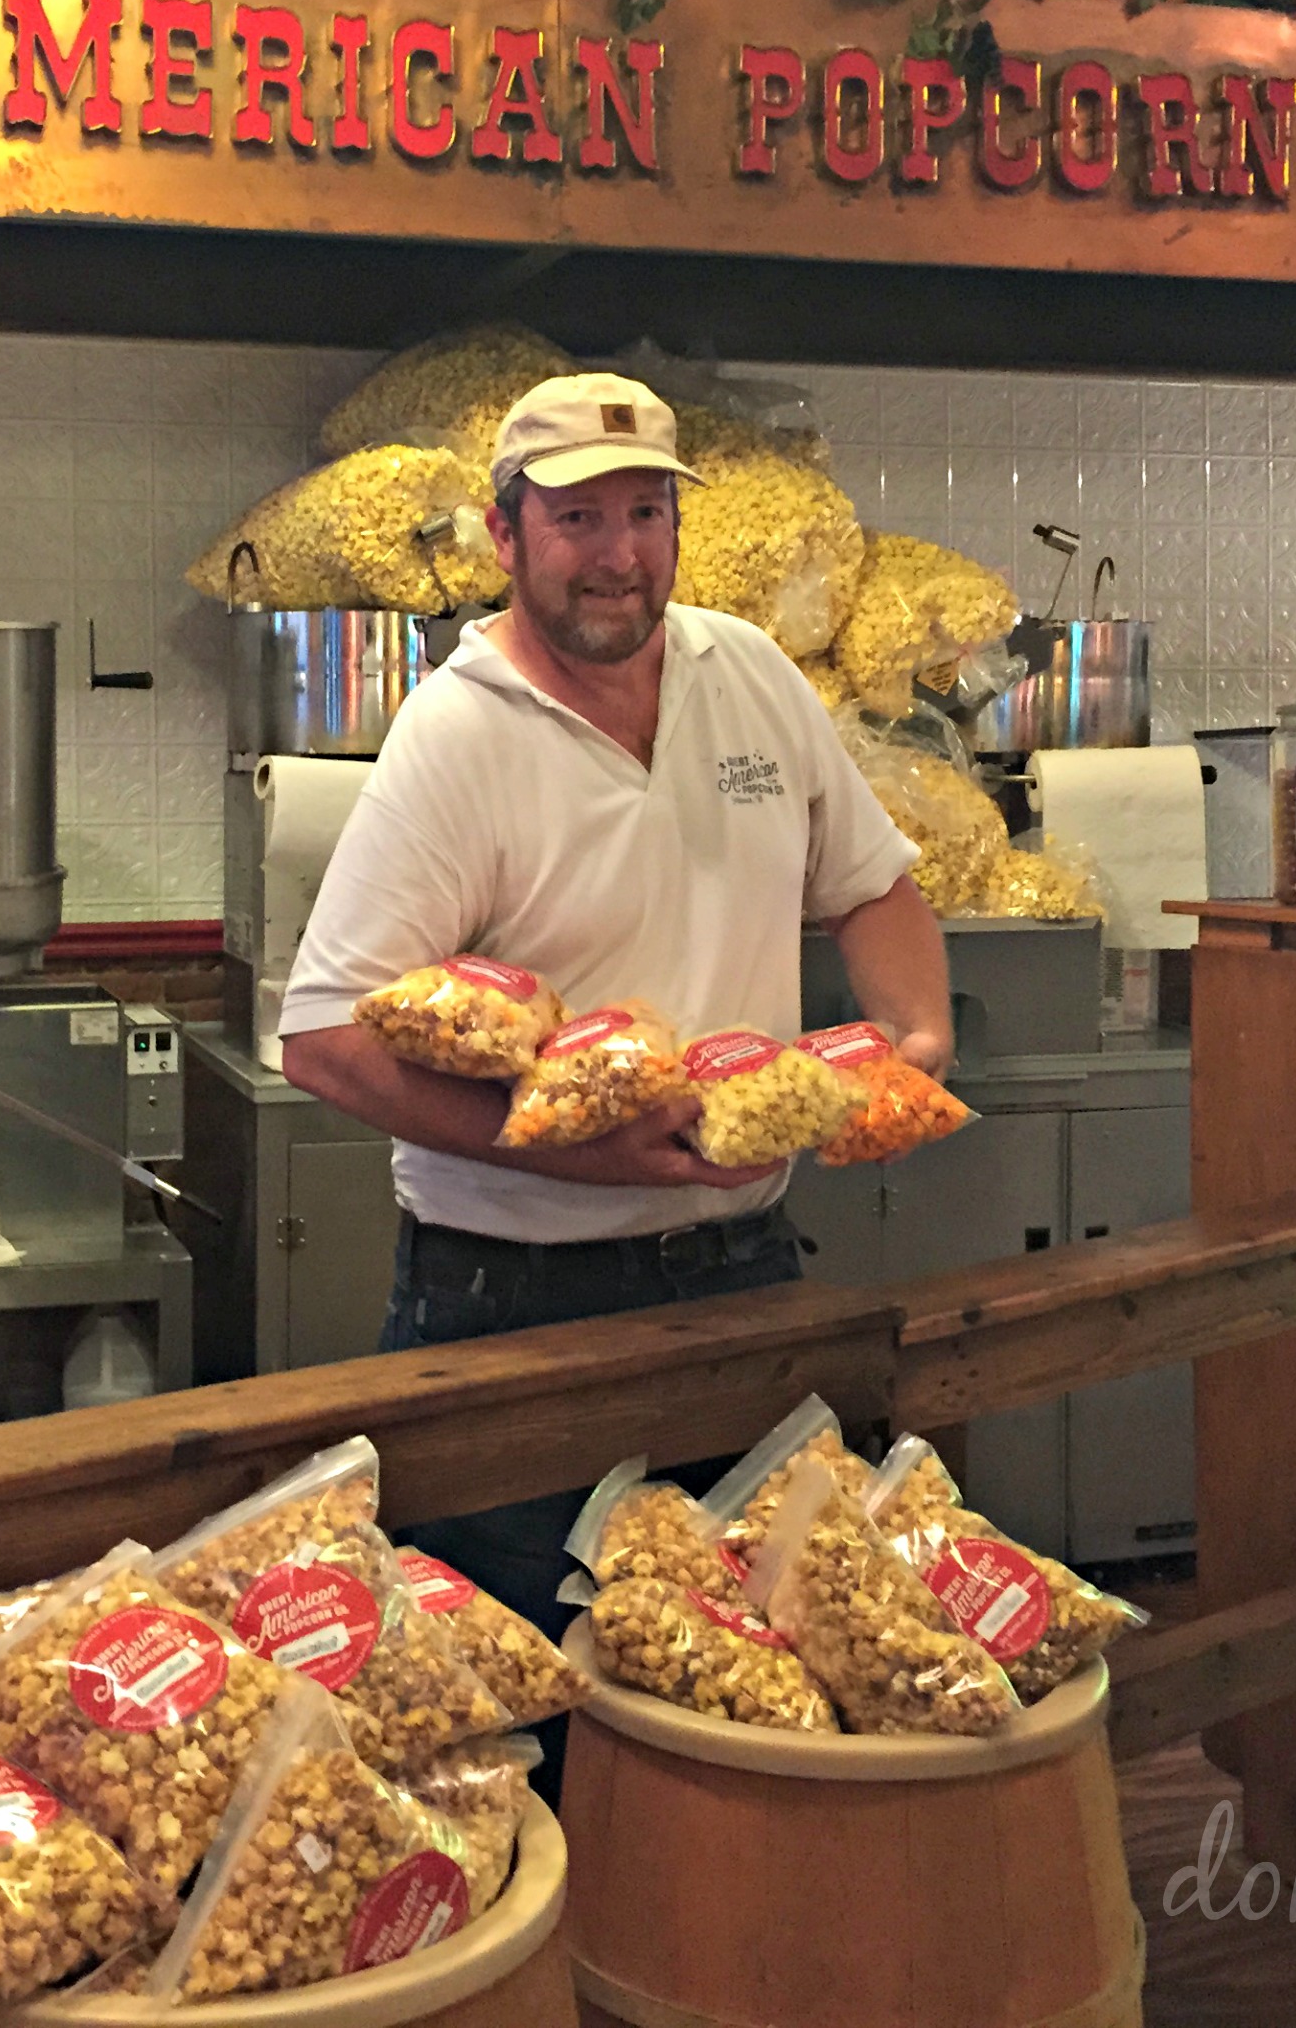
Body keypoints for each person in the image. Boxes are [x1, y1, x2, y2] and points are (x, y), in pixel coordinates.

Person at [277, 370, 954, 1650]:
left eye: (645, 514)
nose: (616, 556)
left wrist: (911, 1043)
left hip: (742, 1277)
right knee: (543, 1696)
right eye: (577, 519)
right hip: (513, 1303)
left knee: (757, 1665)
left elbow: (870, 889)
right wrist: (578, 1150)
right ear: (504, 534)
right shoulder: (457, 735)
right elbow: (321, 1037)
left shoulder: (746, 673)